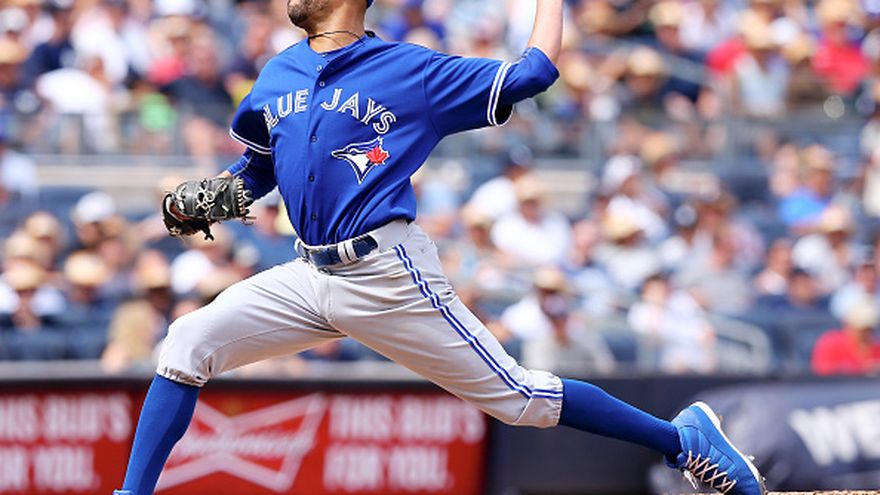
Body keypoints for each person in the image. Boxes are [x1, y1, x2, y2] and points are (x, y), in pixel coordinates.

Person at [113, 1, 766, 494]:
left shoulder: (411, 71)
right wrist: (214, 197)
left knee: (520, 399)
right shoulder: (278, 71)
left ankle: (682, 439)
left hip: (384, 273)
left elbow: (534, 72)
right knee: (186, 342)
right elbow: (257, 171)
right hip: (307, 274)